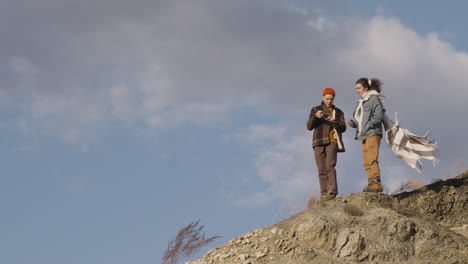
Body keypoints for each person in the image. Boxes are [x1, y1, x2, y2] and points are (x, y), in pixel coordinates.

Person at [307, 88, 346, 202]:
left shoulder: (338, 112)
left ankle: (332, 192)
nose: (329, 101)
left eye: (331, 99)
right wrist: (316, 117)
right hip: (318, 141)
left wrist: (335, 122)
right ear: (323, 97)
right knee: (321, 168)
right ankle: (324, 194)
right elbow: (309, 126)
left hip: (332, 140)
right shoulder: (315, 109)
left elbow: (343, 128)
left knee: (330, 165)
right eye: (327, 98)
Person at [348, 78, 385, 192]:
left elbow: (378, 115)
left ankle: (376, 182)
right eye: (356, 88)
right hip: (364, 134)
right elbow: (360, 120)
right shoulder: (360, 102)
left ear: (366, 88)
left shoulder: (373, 99)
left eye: (359, 88)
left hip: (373, 133)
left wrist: (368, 124)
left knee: (372, 158)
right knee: (365, 161)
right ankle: (370, 183)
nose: (357, 90)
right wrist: (354, 123)